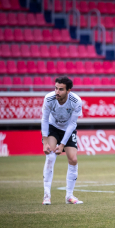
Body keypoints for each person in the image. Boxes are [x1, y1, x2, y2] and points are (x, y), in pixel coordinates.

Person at [41, 76, 83, 205]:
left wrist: (62, 144)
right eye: (55, 88)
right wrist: (45, 142)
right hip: (53, 128)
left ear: (68, 90)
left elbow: (72, 124)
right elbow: (45, 120)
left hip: (68, 130)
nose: (57, 92)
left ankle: (69, 196)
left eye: (61, 89)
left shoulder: (76, 101)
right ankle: (46, 196)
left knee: (73, 159)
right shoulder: (49, 99)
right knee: (51, 156)